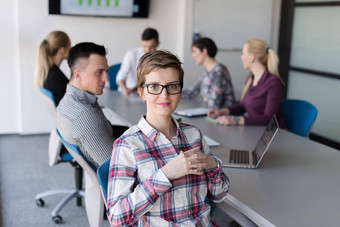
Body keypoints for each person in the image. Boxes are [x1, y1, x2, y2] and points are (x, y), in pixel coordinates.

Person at [107, 50, 229, 226]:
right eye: (154, 87)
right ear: (141, 92)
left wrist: (213, 165)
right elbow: (117, 217)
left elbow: (220, 195)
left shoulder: (194, 136)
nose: (164, 95)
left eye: (172, 86)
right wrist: (165, 175)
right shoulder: (128, 145)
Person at [56, 42, 128, 169]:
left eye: (106, 71)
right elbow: (116, 168)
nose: (106, 79)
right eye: (99, 72)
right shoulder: (84, 117)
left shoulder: (69, 100)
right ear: (78, 74)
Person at [208, 38, 285, 127]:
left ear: (252, 57)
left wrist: (235, 120)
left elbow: (268, 119)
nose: (241, 57)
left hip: (272, 135)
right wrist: (222, 111)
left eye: (243, 54)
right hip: (255, 130)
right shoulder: (250, 78)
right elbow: (242, 107)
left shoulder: (274, 82)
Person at [181, 37, 235, 108]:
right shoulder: (207, 72)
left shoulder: (219, 71)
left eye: (194, 51)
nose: (192, 56)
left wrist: (206, 98)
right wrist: (172, 93)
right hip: (209, 110)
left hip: (220, 114)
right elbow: (192, 92)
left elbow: (215, 103)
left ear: (204, 51)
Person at [116, 27, 160, 96]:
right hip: (130, 93)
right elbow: (121, 77)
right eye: (144, 46)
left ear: (158, 44)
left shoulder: (161, 59)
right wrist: (124, 89)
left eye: (151, 47)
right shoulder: (131, 55)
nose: (147, 50)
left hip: (150, 93)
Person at [34, 31, 71, 105]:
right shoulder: (56, 78)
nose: (71, 50)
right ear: (62, 50)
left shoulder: (48, 74)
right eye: (69, 46)